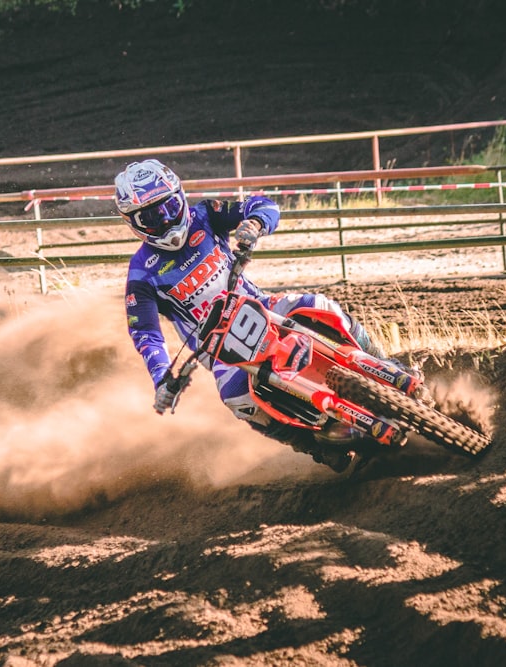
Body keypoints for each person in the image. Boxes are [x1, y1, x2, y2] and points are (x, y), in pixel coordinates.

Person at [116, 159, 396, 471]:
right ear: (134, 223)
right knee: (238, 399)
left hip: (262, 307)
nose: (166, 219)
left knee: (320, 304)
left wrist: (256, 223)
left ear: (180, 196)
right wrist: (162, 378)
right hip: (219, 351)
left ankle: (384, 363)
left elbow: (263, 204)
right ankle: (310, 445)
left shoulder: (205, 214)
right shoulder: (141, 274)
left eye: (169, 207)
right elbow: (145, 333)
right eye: (152, 216)